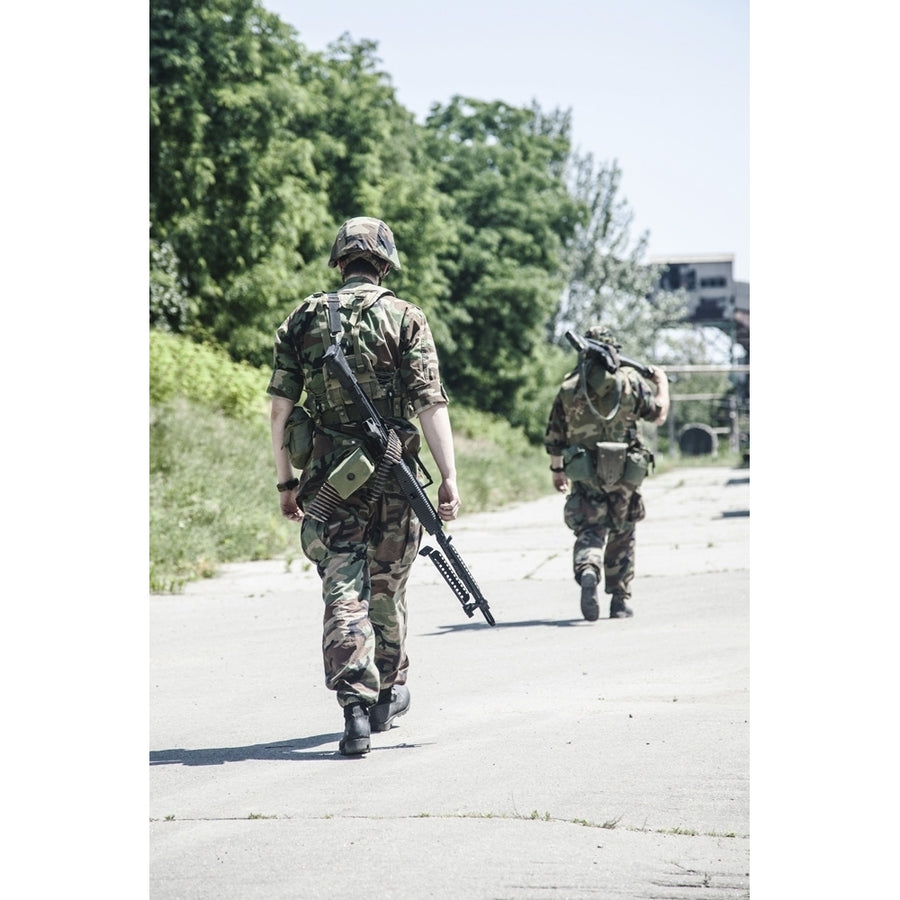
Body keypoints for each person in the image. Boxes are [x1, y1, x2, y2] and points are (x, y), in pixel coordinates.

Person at [267, 216, 460, 756]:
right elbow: (430, 403)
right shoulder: (406, 318)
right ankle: (387, 694)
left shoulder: (303, 319)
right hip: (394, 479)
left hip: (328, 479)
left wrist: (285, 481)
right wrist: (448, 478)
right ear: (384, 261)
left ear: (341, 261)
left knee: (342, 588)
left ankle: (354, 706)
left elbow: (280, 411)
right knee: (388, 587)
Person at [544, 326, 670, 621]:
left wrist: (557, 470)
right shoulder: (631, 381)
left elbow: (555, 435)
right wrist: (661, 382)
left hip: (584, 470)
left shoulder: (570, 385)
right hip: (626, 470)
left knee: (590, 527)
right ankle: (620, 600)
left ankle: (589, 567)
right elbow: (659, 414)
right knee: (623, 529)